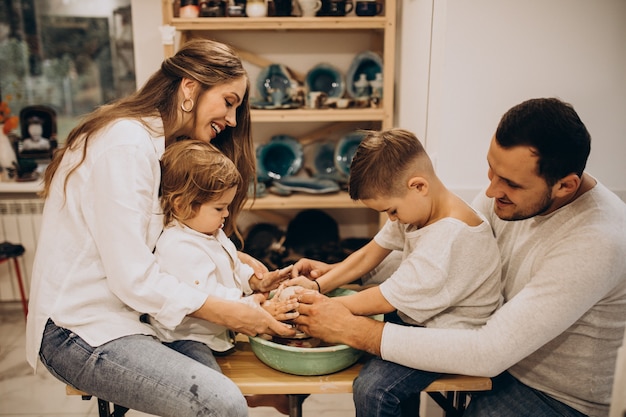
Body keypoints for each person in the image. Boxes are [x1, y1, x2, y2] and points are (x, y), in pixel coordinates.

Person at [292, 98, 626, 417]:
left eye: (509, 183)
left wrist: (350, 327)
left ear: (565, 186)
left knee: (375, 381)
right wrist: (344, 276)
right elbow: (441, 257)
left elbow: (488, 352)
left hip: (553, 396)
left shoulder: (598, 241)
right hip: (497, 352)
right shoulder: (508, 194)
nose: (492, 190)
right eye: (490, 169)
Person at [25, 39, 296, 417]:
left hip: (130, 317)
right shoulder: (127, 144)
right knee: (224, 405)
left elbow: (162, 241)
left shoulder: (159, 145)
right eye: (229, 101)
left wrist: (235, 261)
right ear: (189, 88)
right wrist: (231, 313)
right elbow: (133, 277)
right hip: (79, 330)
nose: (232, 120)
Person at [286, 128, 502, 416]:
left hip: (448, 335)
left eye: (391, 211)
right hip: (419, 316)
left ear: (418, 186)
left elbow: (384, 299)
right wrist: (317, 287)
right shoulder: (417, 208)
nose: (391, 219)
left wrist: (318, 308)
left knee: (373, 390)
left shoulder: (449, 238)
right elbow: (369, 254)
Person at [152, 139, 297, 353]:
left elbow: (231, 266)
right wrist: (258, 307)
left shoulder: (210, 232)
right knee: (205, 378)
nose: (227, 214)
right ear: (182, 205)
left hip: (217, 334)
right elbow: (210, 296)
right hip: (187, 339)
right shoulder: (179, 247)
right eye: (219, 208)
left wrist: (255, 281)